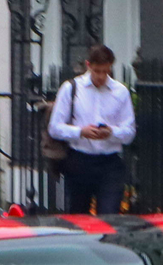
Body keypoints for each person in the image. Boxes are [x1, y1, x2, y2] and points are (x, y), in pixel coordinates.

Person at [48, 45, 134, 215]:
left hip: (110, 162)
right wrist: (80, 131)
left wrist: (111, 133)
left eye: (105, 71)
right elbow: (54, 127)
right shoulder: (71, 88)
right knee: (79, 215)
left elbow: (129, 132)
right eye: (97, 71)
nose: (101, 76)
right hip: (79, 161)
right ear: (88, 65)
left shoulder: (120, 92)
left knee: (109, 215)